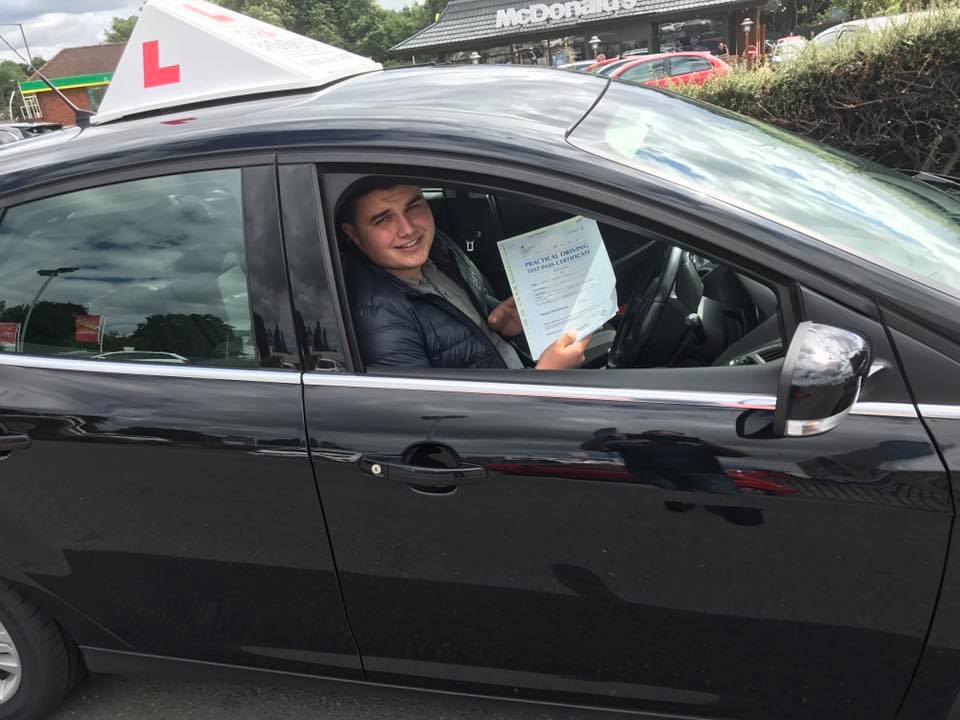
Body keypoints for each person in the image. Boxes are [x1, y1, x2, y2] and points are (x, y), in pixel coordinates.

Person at [339, 181, 589, 370]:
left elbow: (456, 322)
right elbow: (428, 418)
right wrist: (546, 376)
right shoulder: (379, 318)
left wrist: (496, 320)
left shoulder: (436, 251)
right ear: (354, 234)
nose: (407, 229)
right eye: (383, 219)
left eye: (413, 206)